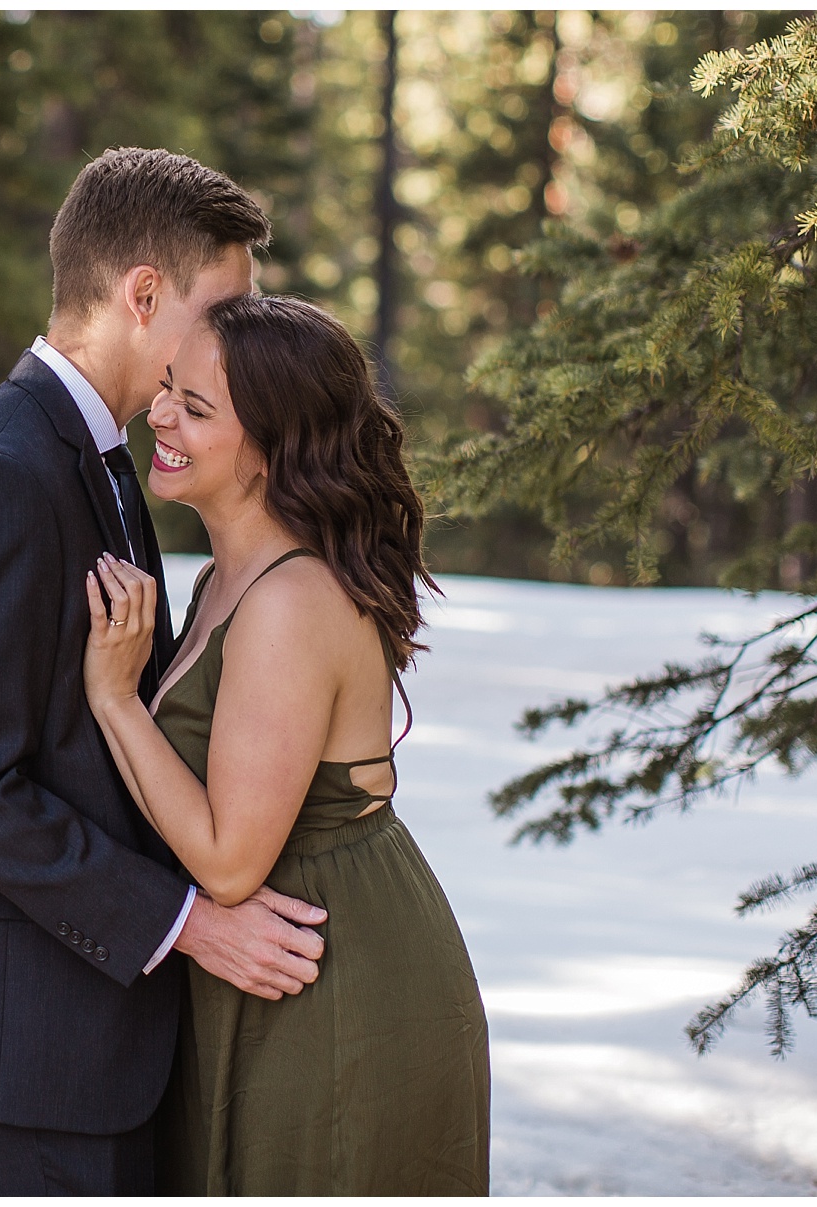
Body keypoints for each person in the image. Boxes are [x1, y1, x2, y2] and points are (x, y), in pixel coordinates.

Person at [0, 149, 333, 1196]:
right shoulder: (2, 475)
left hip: (82, 1034)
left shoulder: (87, 454)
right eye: (224, 309)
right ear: (145, 295)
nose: (239, 339)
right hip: (32, 1046)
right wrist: (187, 921)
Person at [82, 294, 491, 1195]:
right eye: (165, 389)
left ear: (274, 444)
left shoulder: (287, 601)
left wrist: (115, 699)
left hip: (334, 982)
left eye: (196, 407)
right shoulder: (229, 572)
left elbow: (229, 863)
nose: (160, 417)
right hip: (276, 967)